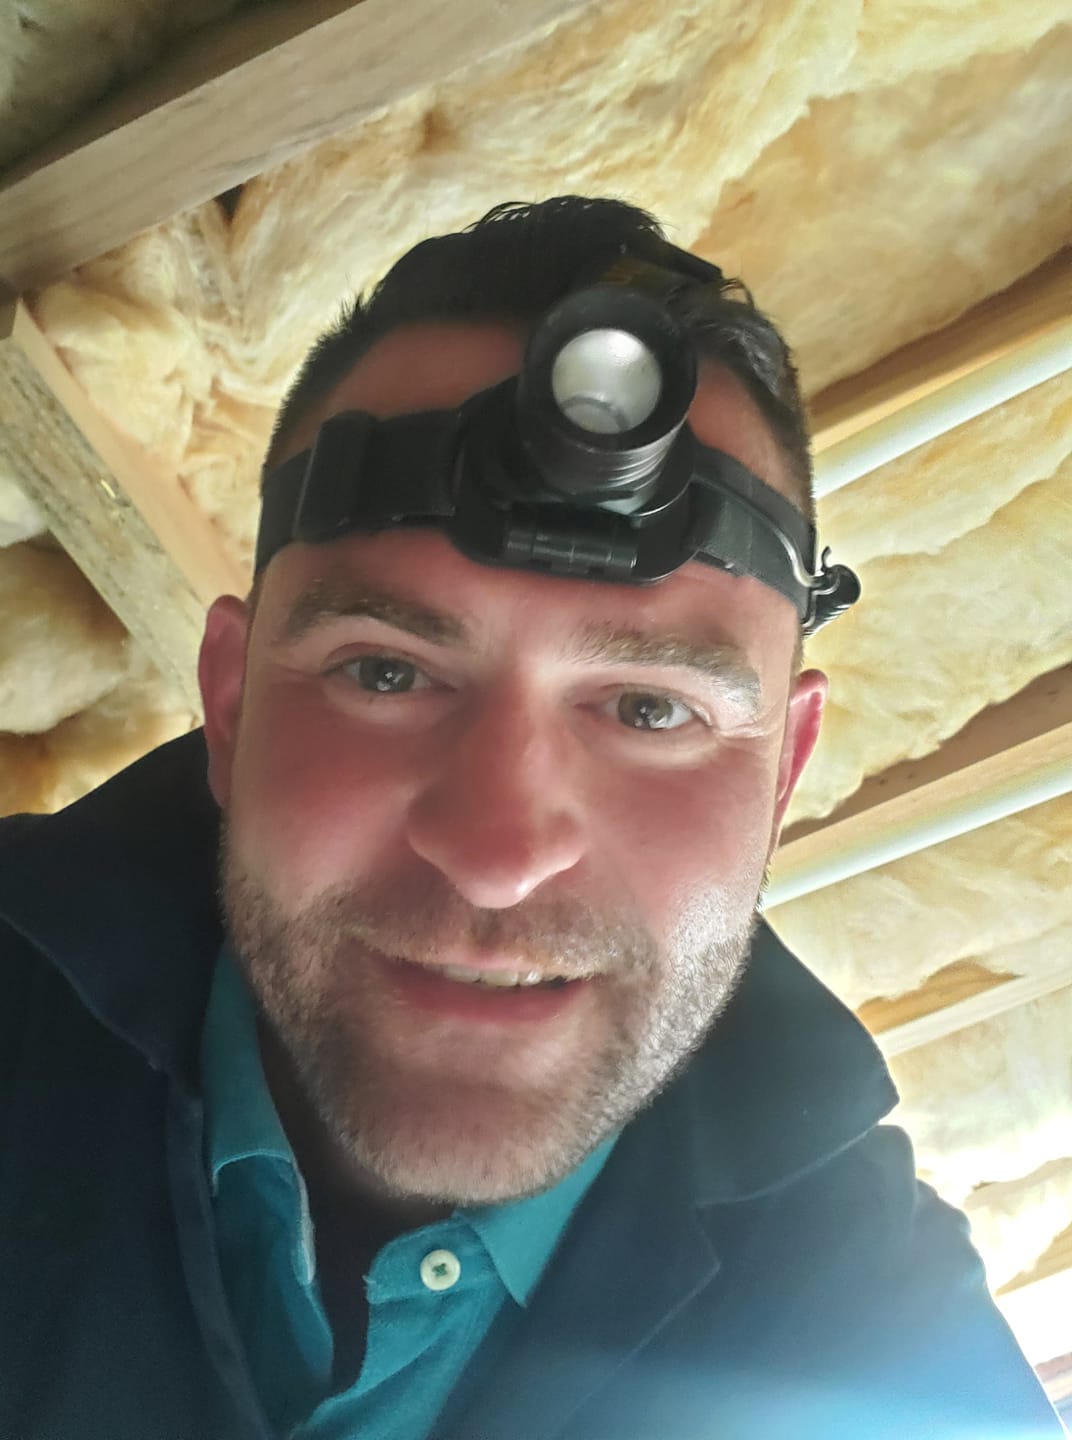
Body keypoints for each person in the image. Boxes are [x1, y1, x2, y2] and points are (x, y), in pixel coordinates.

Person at [0, 197, 1061, 1440]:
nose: (498, 860)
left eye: (649, 709)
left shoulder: (887, 1365)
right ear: (231, 708)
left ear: (781, 777)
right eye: (385, 672)